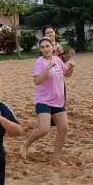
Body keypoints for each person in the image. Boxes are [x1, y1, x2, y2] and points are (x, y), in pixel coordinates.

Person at [20, 37, 75, 165]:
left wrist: (71, 67)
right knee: (44, 129)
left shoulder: (58, 60)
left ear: (53, 47)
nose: (45, 49)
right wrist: (47, 68)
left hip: (58, 101)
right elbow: (37, 81)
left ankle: (56, 159)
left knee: (64, 129)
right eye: (42, 47)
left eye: (47, 46)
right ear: (40, 49)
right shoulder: (40, 62)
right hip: (43, 100)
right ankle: (25, 145)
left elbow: (66, 74)